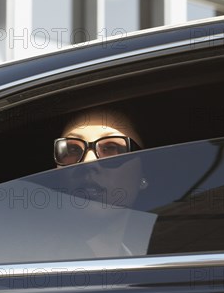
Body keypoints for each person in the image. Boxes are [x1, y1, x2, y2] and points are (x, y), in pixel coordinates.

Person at [49, 107, 154, 257]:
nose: (88, 162)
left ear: (144, 171)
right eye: (72, 149)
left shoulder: (161, 263)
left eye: (111, 148)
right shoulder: (23, 260)